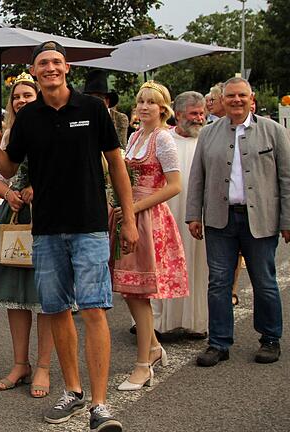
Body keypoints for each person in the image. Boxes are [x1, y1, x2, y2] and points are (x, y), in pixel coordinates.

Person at [0, 41, 137, 431]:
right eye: (43, 64)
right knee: (56, 311)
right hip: (46, 231)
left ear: (67, 68)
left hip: (89, 226)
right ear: (35, 71)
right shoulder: (29, 118)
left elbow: (117, 166)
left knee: (93, 311)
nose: (51, 68)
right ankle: (72, 391)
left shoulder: (92, 108)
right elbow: (9, 165)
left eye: (56, 62)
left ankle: (100, 404)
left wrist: (129, 218)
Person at [186, 77, 290, 367]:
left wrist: (287, 220)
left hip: (261, 219)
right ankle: (218, 343)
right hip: (221, 220)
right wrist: (194, 214)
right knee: (218, 282)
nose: (236, 100)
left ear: (251, 97)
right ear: (222, 99)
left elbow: (287, 179)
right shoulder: (208, 133)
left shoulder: (273, 131)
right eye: (230, 96)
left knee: (264, 281)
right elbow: (197, 176)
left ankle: (270, 339)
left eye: (241, 95)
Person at [109, 81, 188, 391]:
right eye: (141, 101)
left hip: (148, 216)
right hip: (129, 212)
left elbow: (174, 185)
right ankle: (153, 347)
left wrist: (135, 206)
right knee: (129, 289)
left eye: (151, 103)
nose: (143, 107)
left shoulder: (163, 139)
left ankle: (144, 366)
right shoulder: (135, 136)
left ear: (162, 108)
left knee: (139, 293)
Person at [0, 72, 55, 398]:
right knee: (16, 294)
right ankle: (20, 363)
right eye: (16, 96)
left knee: (44, 296)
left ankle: (43, 365)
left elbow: (63, 171)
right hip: (14, 215)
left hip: (47, 214)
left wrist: (36, 187)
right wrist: (8, 192)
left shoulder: (51, 126)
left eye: (28, 94)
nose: (21, 100)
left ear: (39, 95)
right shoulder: (10, 134)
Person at [151, 91, 208, 338]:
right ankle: (159, 323)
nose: (199, 118)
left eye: (202, 113)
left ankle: (196, 322)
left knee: (198, 266)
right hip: (167, 212)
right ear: (180, 114)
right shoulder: (164, 139)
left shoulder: (208, 139)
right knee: (161, 264)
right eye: (194, 113)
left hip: (198, 214)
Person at [84, 69, 129, 148]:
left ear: (107, 101)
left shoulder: (120, 118)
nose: (94, 103)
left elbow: (121, 147)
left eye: (98, 99)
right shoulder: (81, 117)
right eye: (90, 99)